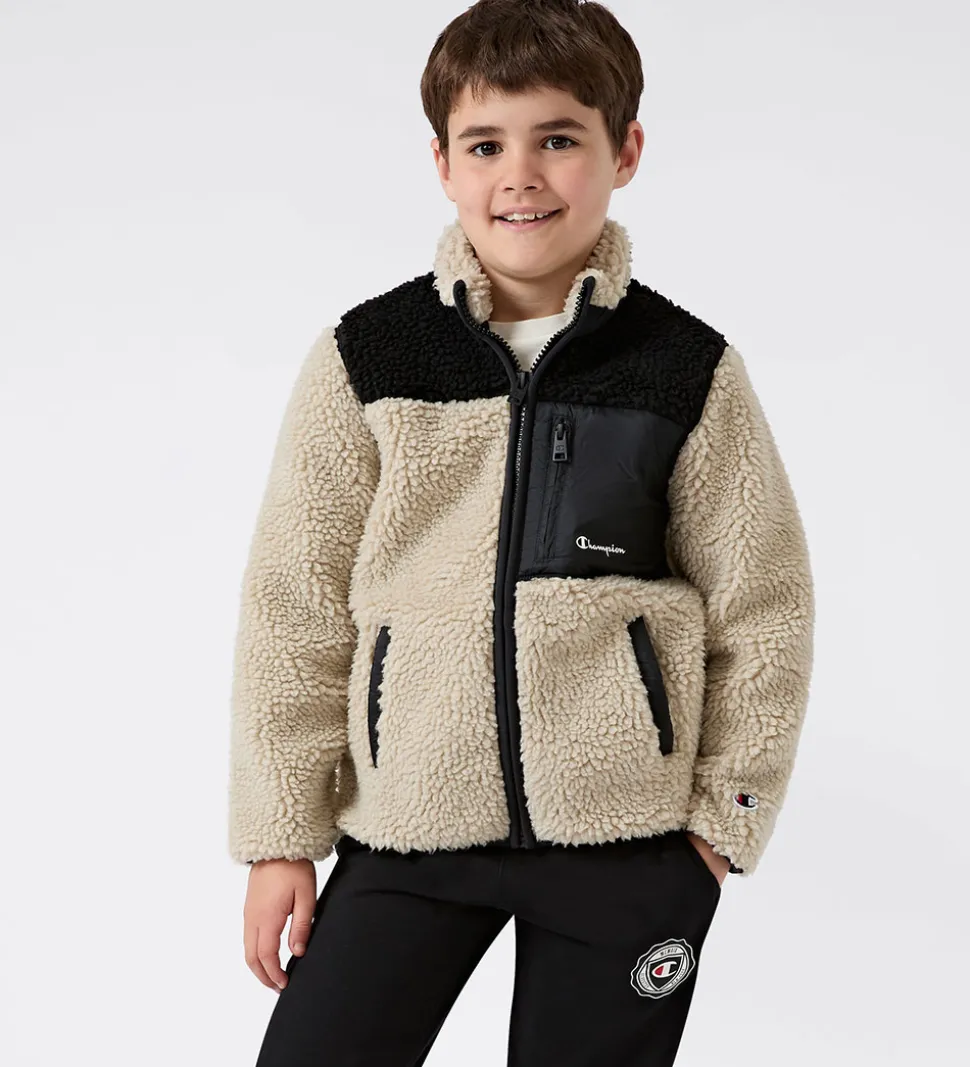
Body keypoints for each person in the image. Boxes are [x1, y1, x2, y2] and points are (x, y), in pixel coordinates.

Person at [227, 1, 816, 1063]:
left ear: (624, 151)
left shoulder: (685, 368)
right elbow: (294, 605)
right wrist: (281, 838)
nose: (521, 176)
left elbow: (763, 605)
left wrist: (721, 825)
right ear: (443, 164)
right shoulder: (369, 357)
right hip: (409, 824)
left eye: (558, 139)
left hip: (627, 839)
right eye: (486, 145)